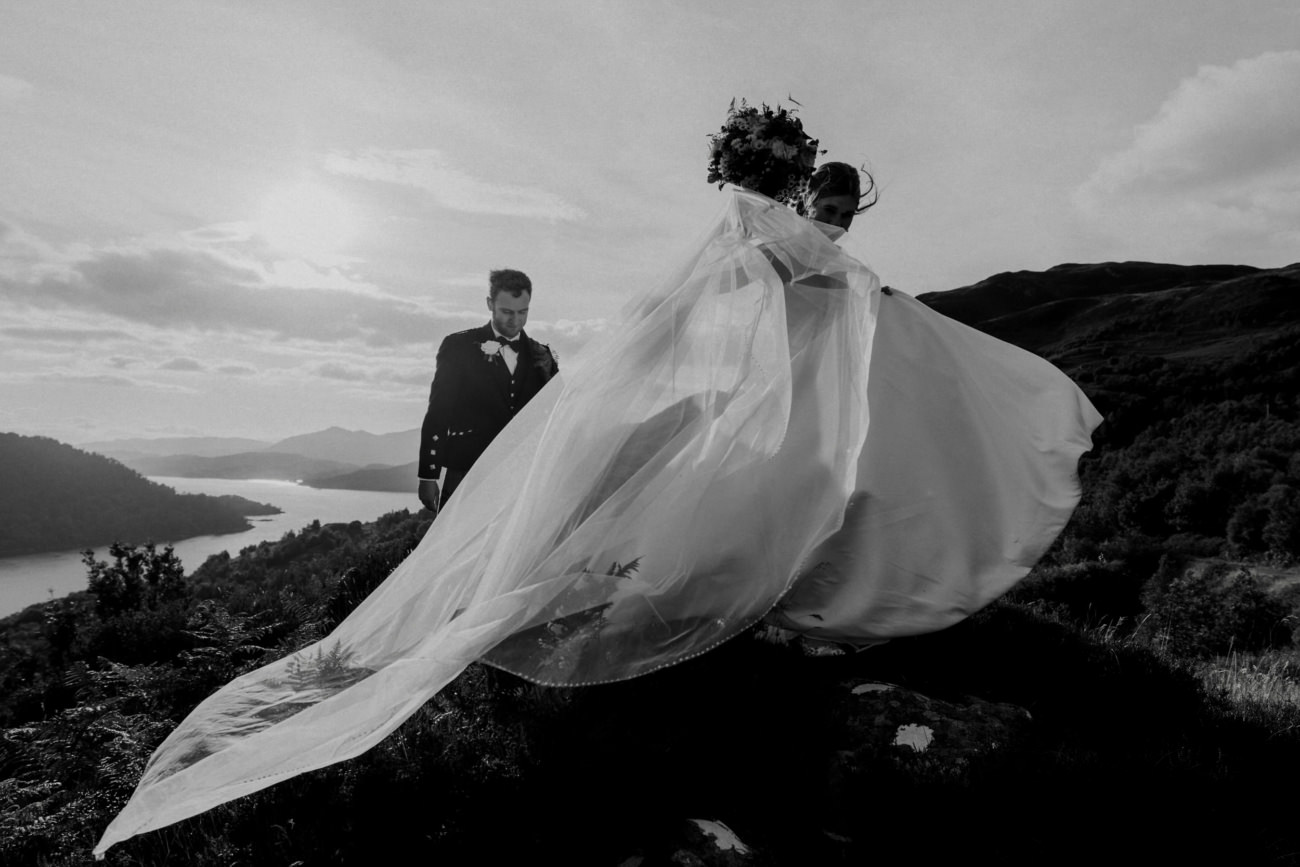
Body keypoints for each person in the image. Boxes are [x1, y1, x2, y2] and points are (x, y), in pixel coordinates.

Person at [94, 104, 1100, 857]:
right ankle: (765, 630)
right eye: (816, 196)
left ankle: (793, 619)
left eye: (836, 205)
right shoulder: (774, 242)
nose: (826, 214)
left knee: (805, 508)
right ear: (793, 187)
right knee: (781, 513)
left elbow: (790, 301)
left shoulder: (778, 244)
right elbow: (782, 295)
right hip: (786, 409)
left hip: (798, 406)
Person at [417, 269, 558, 512]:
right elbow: (440, 411)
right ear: (490, 304)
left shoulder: (542, 355)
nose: (515, 321)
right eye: (506, 312)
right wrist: (429, 475)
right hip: (467, 471)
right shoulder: (458, 346)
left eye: (522, 312)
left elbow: (556, 414)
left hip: (521, 477)